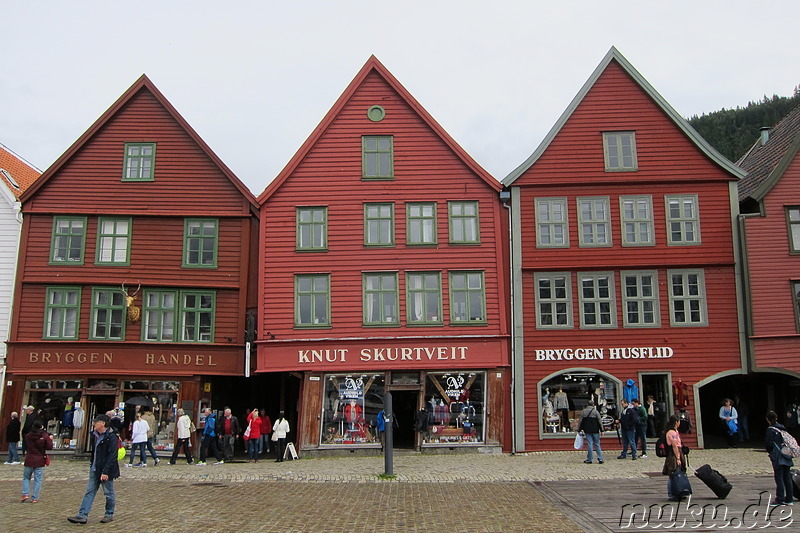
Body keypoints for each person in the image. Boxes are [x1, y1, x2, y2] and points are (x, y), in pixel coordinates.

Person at [67, 414, 120, 524]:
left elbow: (112, 456)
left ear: (103, 423)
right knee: (90, 491)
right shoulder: (94, 435)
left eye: (96, 422)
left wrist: (106, 471)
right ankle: (82, 515)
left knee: (108, 493)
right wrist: (92, 464)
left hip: (106, 470)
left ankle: (109, 514)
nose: (93, 424)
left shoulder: (111, 436)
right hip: (95, 468)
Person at [765, 410, 794, 506]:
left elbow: (768, 445)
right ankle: (789, 499)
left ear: (767, 419)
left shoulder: (770, 430)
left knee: (779, 477)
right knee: (787, 477)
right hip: (786, 454)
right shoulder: (782, 428)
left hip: (778, 456)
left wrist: (771, 453)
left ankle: (780, 498)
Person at [20, 421, 53, 503]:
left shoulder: (28, 436)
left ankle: (25, 493)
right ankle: (35, 498)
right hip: (39, 460)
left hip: (29, 459)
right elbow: (49, 447)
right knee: (38, 479)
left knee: (26, 477)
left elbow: (26, 445)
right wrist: (50, 439)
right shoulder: (44, 436)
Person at [662, 415, 687, 501]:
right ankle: (672, 494)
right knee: (673, 473)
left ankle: (677, 492)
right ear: (676, 422)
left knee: (676, 473)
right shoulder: (672, 433)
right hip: (673, 454)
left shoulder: (675, 431)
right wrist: (678, 458)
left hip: (676, 452)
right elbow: (674, 446)